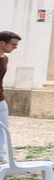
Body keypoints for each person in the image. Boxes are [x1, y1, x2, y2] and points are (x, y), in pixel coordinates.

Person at [0, 31, 21, 162]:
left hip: (0, 99)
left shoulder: (5, 59)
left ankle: (0, 156)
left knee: (3, 129)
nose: (15, 47)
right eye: (13, 44)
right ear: (2, 43)